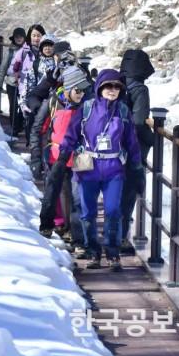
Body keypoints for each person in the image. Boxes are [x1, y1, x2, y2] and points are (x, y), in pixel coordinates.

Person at [59, 69, 144, 271]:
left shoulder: (123, 112)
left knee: (113, 211)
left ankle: (113, 253)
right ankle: (93, 252)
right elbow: (71, 134)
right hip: (88, 166)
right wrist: (63, 155)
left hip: (114, 168)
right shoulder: (86, 109)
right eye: (108, 86)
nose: (112, 90)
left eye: (116, 87)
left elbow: (131, 142)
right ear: (100, 87)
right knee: (87, 213)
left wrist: (137, 166)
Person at [34, 66, 91, 250]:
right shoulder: (53, 102)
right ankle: (46, 225)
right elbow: (38, 128)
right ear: (67, 88)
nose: (81, 94)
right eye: (77, 90)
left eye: (84, 90)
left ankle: (78, 239)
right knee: (52, 192)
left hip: (78, 158)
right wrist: (37, 156)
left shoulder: (87, 106)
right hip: (56, 157)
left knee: (77, 198)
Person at [118, 49, 155, 254]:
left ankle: (112, 234)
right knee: (129, 192)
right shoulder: (139, 89)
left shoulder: (117, 83)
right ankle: (121, 239)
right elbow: (140, 121)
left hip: (113, 147)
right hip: (131, 149)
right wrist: (152, 139)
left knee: (115, 192)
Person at [0, 27, 27, 138]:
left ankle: (20, 125)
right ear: (14, 38)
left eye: (21, 37)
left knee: (24, 105)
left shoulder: (28, 50)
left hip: (25, 83)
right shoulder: (10, 51)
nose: (19, 39)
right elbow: (3, 67)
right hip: (11, 82)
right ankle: (14, 128)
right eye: (17, 37)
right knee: (13, 106)